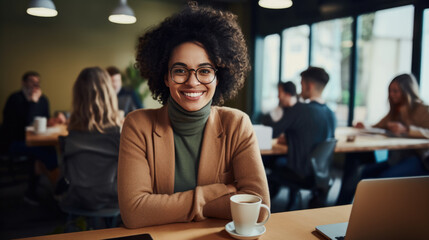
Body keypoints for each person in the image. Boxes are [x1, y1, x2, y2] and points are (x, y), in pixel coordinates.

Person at [118, 2, 270, 228]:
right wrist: (214, 194)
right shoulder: (137, 125)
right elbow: (134, 212)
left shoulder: (237, 124)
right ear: (166, 77)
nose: (192, 81)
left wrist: (163, 207)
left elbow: (258, 210)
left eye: (205, 70)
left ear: (219, 78)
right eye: (180, 70)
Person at [267, 66, 336, 208]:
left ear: (308, 86)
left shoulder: (300, 109)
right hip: (319, 174)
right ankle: (291, 204)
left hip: (300, 173)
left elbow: (272, 133)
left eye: (301, 84)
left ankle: (262, 208)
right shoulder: (331, 114)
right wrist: (293, 137)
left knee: (269, 168)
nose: (300, 89)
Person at [60, 67, 122, 211]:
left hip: (78, 196)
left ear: (78, 96)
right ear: (109, 94)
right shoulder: (120, 134)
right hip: (113, 198)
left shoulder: (71, 133)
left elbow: (65, 172)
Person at [0, 71, 63, 205]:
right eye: (31, 82)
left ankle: (40, 188)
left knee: (48, 149)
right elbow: (26, 125)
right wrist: (32, 103)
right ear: (23, 83)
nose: (35, 86)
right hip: (15, 142)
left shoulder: (43, 99)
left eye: (37, 83)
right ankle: (57, 184)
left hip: (35, 142)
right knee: (41, 153)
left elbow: (43, 120)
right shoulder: (15, 99)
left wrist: (53, 120)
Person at [359, 73, 429, 177]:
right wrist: (366, 127)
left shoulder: (423, 109)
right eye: (390, 91)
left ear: (407, 91)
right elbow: (379, 125)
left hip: (420, 159)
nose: (391, 94)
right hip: (398, 158)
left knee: (384, 178)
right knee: (366, 172)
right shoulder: (396, 110)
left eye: (395, 91)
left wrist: (406, 129)